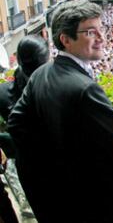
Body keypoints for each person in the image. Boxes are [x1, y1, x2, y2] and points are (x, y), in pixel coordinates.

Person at [7, 0, 113, 223]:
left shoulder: (40, 74)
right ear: (65, 39)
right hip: (92, 205)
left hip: (54, 202)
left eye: (101, 29)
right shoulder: (85, 89)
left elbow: (16, 125)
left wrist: (50, 168)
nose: (101, 37)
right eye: (91, 32)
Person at [0, 35, 49, 223]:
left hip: (26, 167)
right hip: (47, 166)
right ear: (46, 59)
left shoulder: (4, 93)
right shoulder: (56, 86)